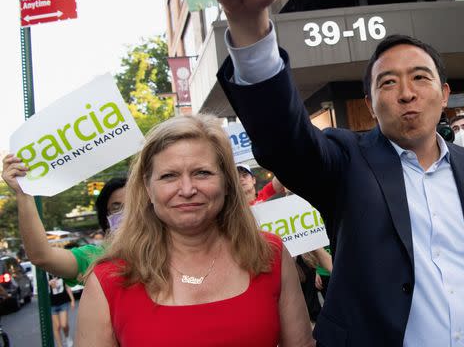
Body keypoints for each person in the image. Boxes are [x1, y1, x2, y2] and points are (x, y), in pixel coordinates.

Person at [206, 0, 464, 346]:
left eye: (420, 78)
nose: (406, 93)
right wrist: (249, 23)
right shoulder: (346, 162)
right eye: (388, 83)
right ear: (371, 105)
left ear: (444, 93)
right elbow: (284, 141)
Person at [74, 114, 313, 347]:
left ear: (227, 183)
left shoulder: (269, 254)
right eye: (169, 176)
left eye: (202, 173)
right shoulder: (110, 278)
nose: (187, 189)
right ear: (148, 188)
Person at [0, 159, 126, 286]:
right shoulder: (95, 257)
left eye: (134, 204)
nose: (127, 212)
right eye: (116, 207)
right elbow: (42, 256)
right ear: (105, 217)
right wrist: (23, 192)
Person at [48, 274, 75, 347]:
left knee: (64, 324)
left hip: (63, 302)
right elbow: (39, 290)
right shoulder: (46, 275)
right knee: (56, 327)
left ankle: (67, 336)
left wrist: (72, 299)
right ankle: (60, 345)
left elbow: (67, 286)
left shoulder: (59, 272)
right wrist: (48, 284)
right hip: (52, 304)